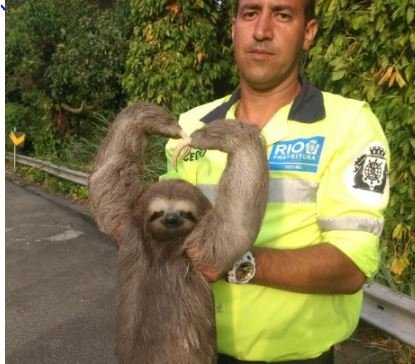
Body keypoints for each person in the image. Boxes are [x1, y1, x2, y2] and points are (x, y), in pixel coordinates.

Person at [161, 0, 390, 363]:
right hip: (191, 349)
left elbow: (351, 265)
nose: (262, 30)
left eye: (282, 15)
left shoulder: (350, 125)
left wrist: (237, 262)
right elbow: (165, 231)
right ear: (233, 28)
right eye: (250, 13)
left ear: (308, 34)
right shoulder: (191, 126)